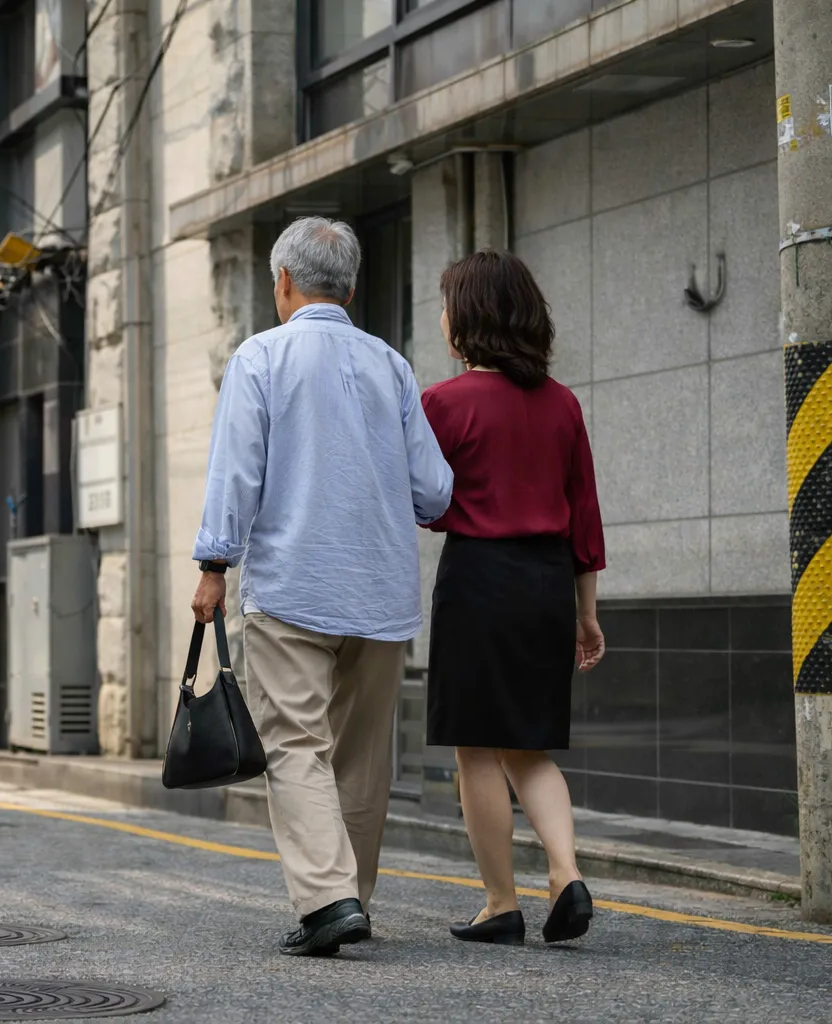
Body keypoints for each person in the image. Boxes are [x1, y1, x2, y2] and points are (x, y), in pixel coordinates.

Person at [191, 216, 454, 957]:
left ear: (283, 281)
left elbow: (235, 470)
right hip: (381, 592)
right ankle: (352, 897)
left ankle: (328, 900)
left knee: (297, 745)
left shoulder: (261, 358)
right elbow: (435, 491)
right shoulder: (391, 366)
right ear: (351, 286)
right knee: (363, 755)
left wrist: (214, 564)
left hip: (294, 587)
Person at [420, 248, 606, 946]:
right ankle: (566, 871)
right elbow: (584, 514)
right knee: (529, 746)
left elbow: (424, 502)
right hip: (548, 584)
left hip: (478, 580)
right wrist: (586, 613)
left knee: (477, 749)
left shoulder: (442, 403)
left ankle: (501, 902)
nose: (442, 319)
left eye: (447, 306)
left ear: (467, 319)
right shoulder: (563, 405)